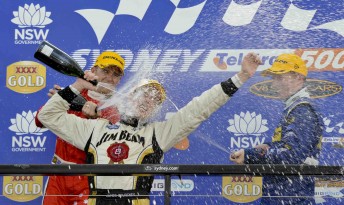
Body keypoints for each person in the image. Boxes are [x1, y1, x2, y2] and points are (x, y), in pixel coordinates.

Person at [37, 52, 262, 205]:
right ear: (129, 96)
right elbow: (47, 116)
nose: (147, 101)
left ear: (156, 110)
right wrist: (77, 86)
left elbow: (199, 108)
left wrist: (241, 77)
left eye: (155, 100)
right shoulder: (97, 128)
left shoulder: (159, 133)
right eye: (143, 95)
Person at [230, 53, 323, 205]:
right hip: (284, 196)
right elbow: (288, 148)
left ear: (298, 78)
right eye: (273, 77)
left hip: (290, 198)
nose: (274, 83)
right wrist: (267, 146)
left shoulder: (302, 110)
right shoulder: (295, 108)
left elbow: (290, 156)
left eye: (279, 77)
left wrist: (250, 156)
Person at [35, 51, 126, 205]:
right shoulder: (72, 91)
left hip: (90, 178)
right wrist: (65, 98)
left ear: (119, 80)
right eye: (105, 71)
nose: (110, 78)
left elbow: (111, 146)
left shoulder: (118, 108)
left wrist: (96, 116)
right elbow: (39, 120)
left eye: (116, 75)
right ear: (94, 70)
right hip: (59, 175)